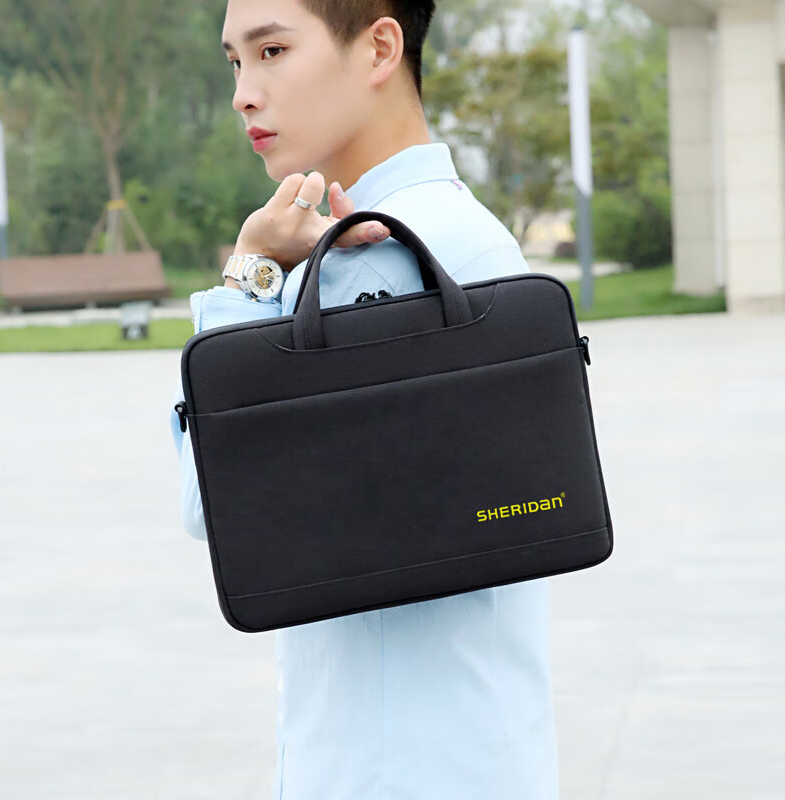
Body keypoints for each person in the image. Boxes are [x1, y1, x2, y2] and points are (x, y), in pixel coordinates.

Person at [168, 1, 559, 797]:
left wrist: (248, 274)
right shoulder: (465, 234)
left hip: (395, 767)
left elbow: (221, 507)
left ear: (380, 48)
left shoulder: (376, 259)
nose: (243, 93)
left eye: (272, 51)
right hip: (461, 749)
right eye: (234, 62)